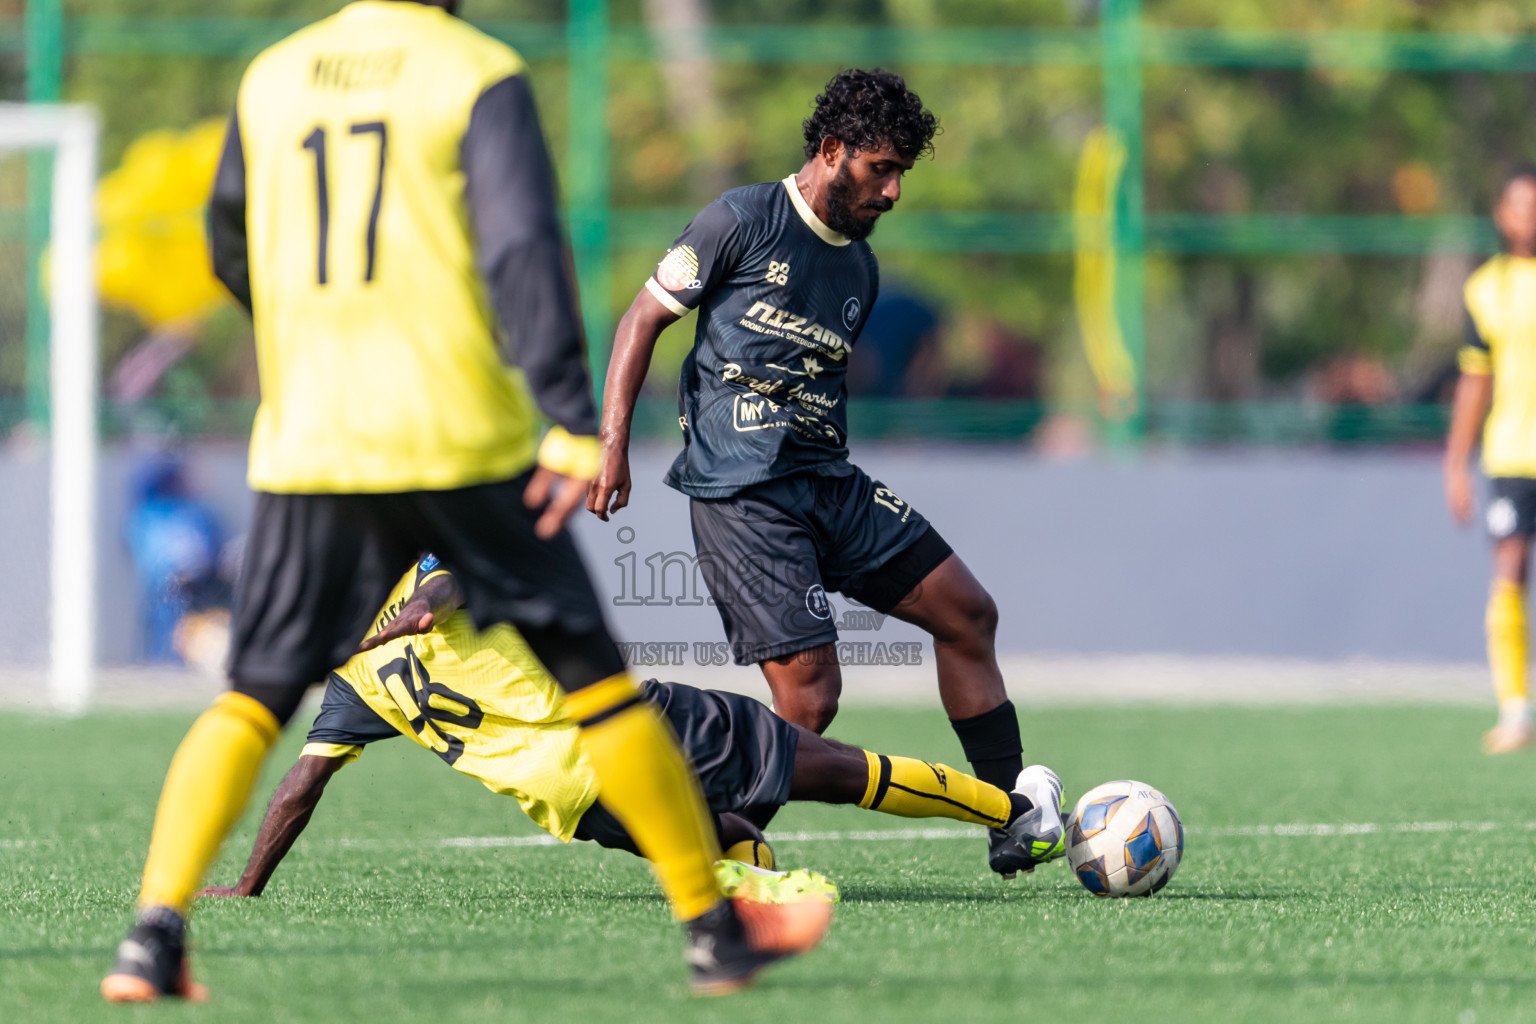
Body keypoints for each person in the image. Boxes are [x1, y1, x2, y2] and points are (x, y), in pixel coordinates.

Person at [102, 0, 827, 1003]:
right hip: (453, 437)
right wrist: (572, 413)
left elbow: (229, 239)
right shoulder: (472, 69)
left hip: (313, 439)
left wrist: (305, 346)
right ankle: (712, 932)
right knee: (599, 687)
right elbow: (524, 245)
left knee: (253, 696)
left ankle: (152, 935)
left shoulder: (272, 74)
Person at [586, 68, 1063, 873]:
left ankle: (1011, 813)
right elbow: (643, 319)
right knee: (811, 696)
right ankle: (700, 842)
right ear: (832, 151)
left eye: (902, 172)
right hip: (742, 492)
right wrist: (612, 444)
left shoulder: (860, 269)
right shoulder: (739, 218)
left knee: (967, 613)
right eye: (882, 169)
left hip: (827, 481)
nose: (895, 190)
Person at [199, 559, 1061, 900]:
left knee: (721, 836)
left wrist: (248, 885)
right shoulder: (406, 577)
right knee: (836, 768)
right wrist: (424, 603)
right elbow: (453, 580)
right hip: (622, 727)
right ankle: (1012, 814)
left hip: (571, 803)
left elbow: (300, 786)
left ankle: (773, 897)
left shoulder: (349, 685)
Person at [1445, 164, 1536, 755]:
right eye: (1520, 205)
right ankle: (1515, 710)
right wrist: (1456, 462)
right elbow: (1474, 381)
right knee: (1510, 571)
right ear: (1502, 215)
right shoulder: (1484, 288)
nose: (1529, 214)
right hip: (1511, 453)